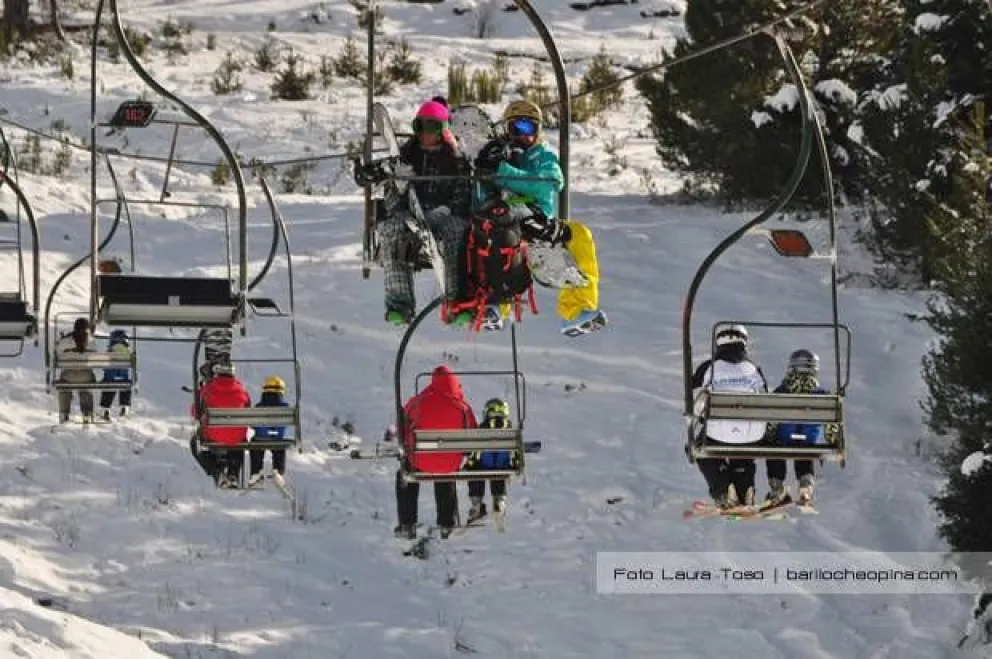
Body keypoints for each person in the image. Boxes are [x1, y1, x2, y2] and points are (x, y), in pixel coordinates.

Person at [473, 98, 606, 335]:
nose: (523, 135)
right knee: (496, 241)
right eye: (516, 128)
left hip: (537, 219)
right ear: (506, 129)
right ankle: (494, 307)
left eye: (529, 128)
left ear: (538, 130)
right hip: (503, 219)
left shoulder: (542, 157)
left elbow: (548, 182)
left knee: (580, 235)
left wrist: (502, 172)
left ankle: (577, 309)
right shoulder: (498, 153)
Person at [354, 97, 475, 327]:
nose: (425, 134)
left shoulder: (457, 159)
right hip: (413, 214)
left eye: (432, 127)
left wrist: (451, 205)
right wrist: (385, 179)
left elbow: (465, 191)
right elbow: (376, 174)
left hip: (446, 215)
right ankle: (399, 305)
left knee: (456, 232)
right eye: (420, 126)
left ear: (443, 130)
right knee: (391, 228)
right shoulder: (407, 154)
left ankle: (458, 303)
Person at [689, 324, 769, 508]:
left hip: (718, 434)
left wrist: (702, 416)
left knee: (699, 448)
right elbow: (765, 401)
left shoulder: (708, 368)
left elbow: (695, 404)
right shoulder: (753, 370)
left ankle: (723, 490)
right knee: (743, 451)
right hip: (752, 436)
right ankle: (745, 490)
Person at [395, 364, 477, 539]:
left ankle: (407, 523)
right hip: (449, 463)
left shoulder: (417, 403)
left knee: (406, 471)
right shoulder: (462, 407)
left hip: (420, 461)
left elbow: (403, 429)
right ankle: (447, 522)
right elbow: (472, 434)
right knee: (445, 469)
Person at [764, 349, 837, 506]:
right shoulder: (824, 395)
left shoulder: (780, 392)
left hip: (783, 439)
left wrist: (768, 438)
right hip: (808, 441)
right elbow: (832, 427)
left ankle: (777, 487)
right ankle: (806, 485)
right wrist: (833, 441)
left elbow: (771, 422)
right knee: (805, 451)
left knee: (774, 450)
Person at [189, 362, 251, 488]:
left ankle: (217, 472)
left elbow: (195, 412)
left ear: (217, 373)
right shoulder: (242, 390)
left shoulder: (207, 389)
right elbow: (248, 408)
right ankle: (233, 473)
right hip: (236, 437)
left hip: (213, 436)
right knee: (237, 440)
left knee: (195, 442)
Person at [466, 397, 516, 522]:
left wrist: (470, 463)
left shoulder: (482, 428)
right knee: (499, 470)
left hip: (483, 465)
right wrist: (516, 463)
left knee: (475, 470)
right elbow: (515, 451)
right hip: (502, 467)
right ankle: (499, 500)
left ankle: (476, 503)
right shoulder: (510, 429)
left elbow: (475, 451)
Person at [248, 375, 290, 486]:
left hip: (260, 439)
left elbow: (252, 424)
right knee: (280, 447)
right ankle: (278, 471)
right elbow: (286, 425)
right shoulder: (285, 407)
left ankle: (256, 472)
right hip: (277, 439)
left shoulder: (258, 407)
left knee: (255, 445)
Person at [55, 317, 96, 423]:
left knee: (64, 388)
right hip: (85, 375)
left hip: (68, 376)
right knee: (85, 388)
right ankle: (87, 413)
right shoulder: (91, 342)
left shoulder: (65, 341)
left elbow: (57, 355)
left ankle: (64, 414)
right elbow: (94, 358)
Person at [99, 329, 132, 420]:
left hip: (110, 379)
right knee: (125, 384)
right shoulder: (127, 352)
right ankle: (124, 406)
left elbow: (103, 365)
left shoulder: (110, 351)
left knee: (109, 384)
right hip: (123, 380)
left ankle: (105, 409)